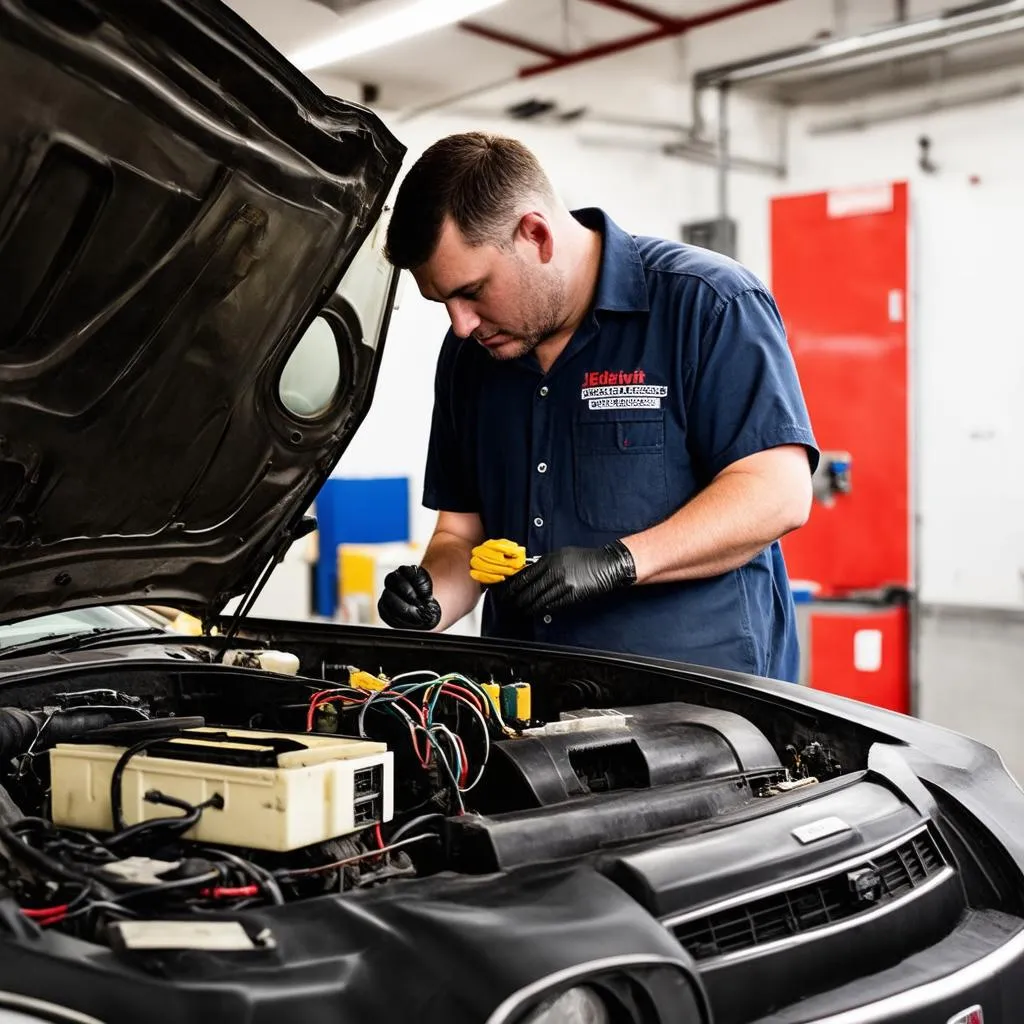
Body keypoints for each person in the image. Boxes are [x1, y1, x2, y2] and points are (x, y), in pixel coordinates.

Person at [375, 131, 818, 682]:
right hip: (527, 711)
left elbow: (777, 494)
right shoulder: (471, 357)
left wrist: (619, 563)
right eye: (443, 303)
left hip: (700, 715)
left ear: (535, 235)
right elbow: (462, 536)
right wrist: (430, 601)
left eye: (473, 291)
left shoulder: (707, 304)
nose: (461, 323)